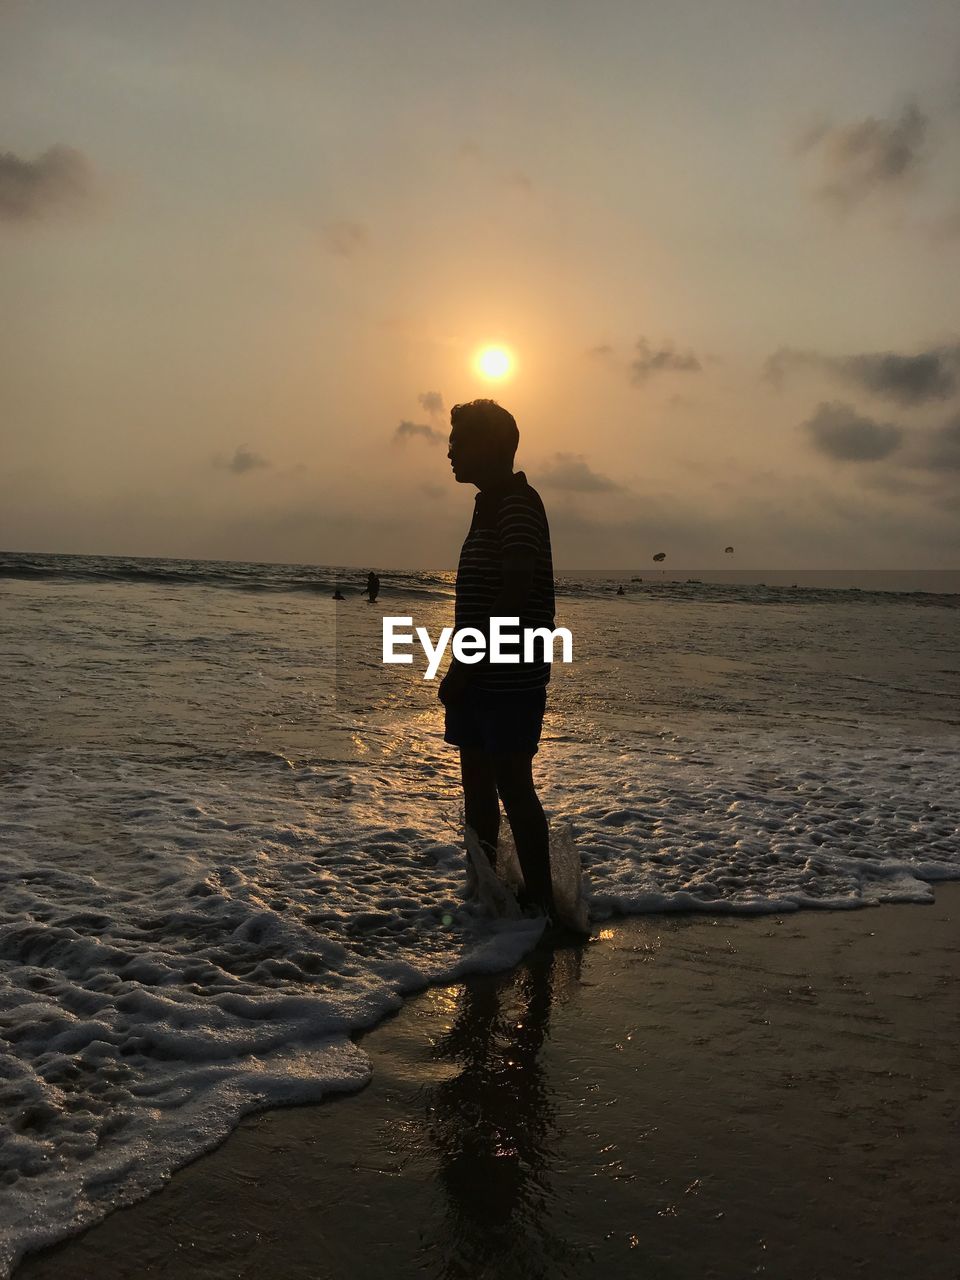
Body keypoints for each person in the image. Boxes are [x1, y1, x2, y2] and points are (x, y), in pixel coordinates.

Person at [438, 399, 557, 922]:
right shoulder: (488, 504)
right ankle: (487, 897)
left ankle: (545, 908)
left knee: (512, 785)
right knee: (478, 788)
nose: (450, 452)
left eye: (458, 441)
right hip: (481, 671)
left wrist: (464, 665)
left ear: (489, 447)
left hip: (509, 676)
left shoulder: (518, 503)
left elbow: (513, 593)